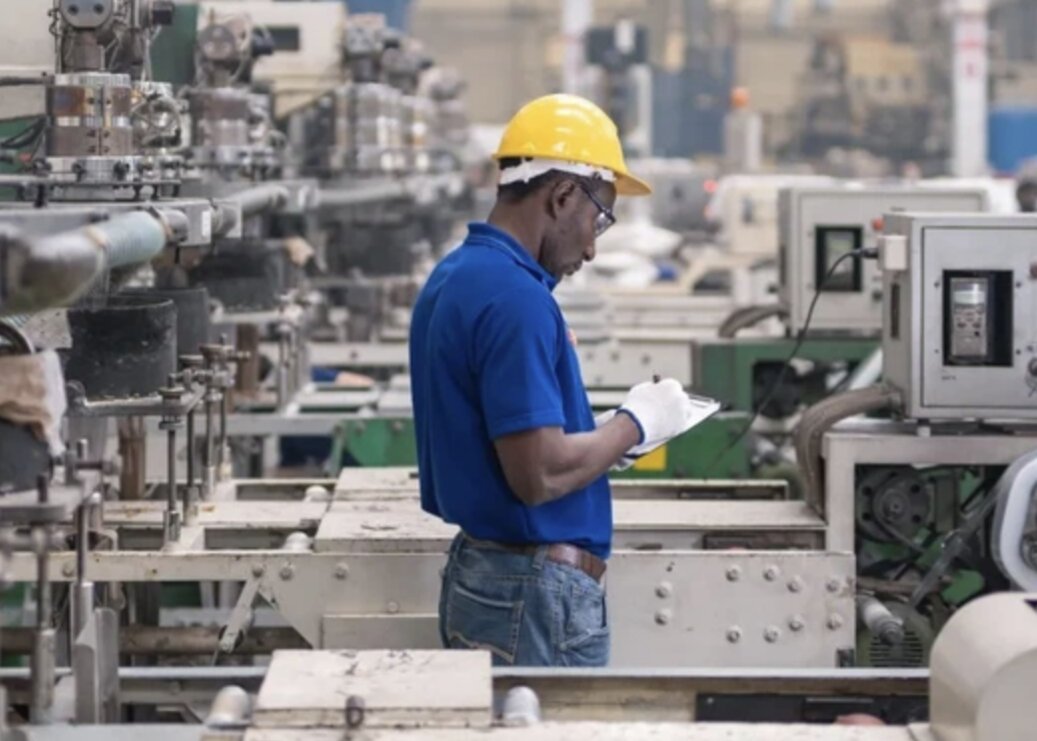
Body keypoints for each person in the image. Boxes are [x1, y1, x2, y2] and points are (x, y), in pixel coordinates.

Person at [409, 94, 699, 667]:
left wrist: (605, 442)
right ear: (563, 195)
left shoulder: (457, 274)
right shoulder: (515, 297)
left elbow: (510, 442)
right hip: (533, 595)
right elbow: (538, 474)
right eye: (598, 220)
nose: (591, 248)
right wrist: (637, 422)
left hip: (491, 576)